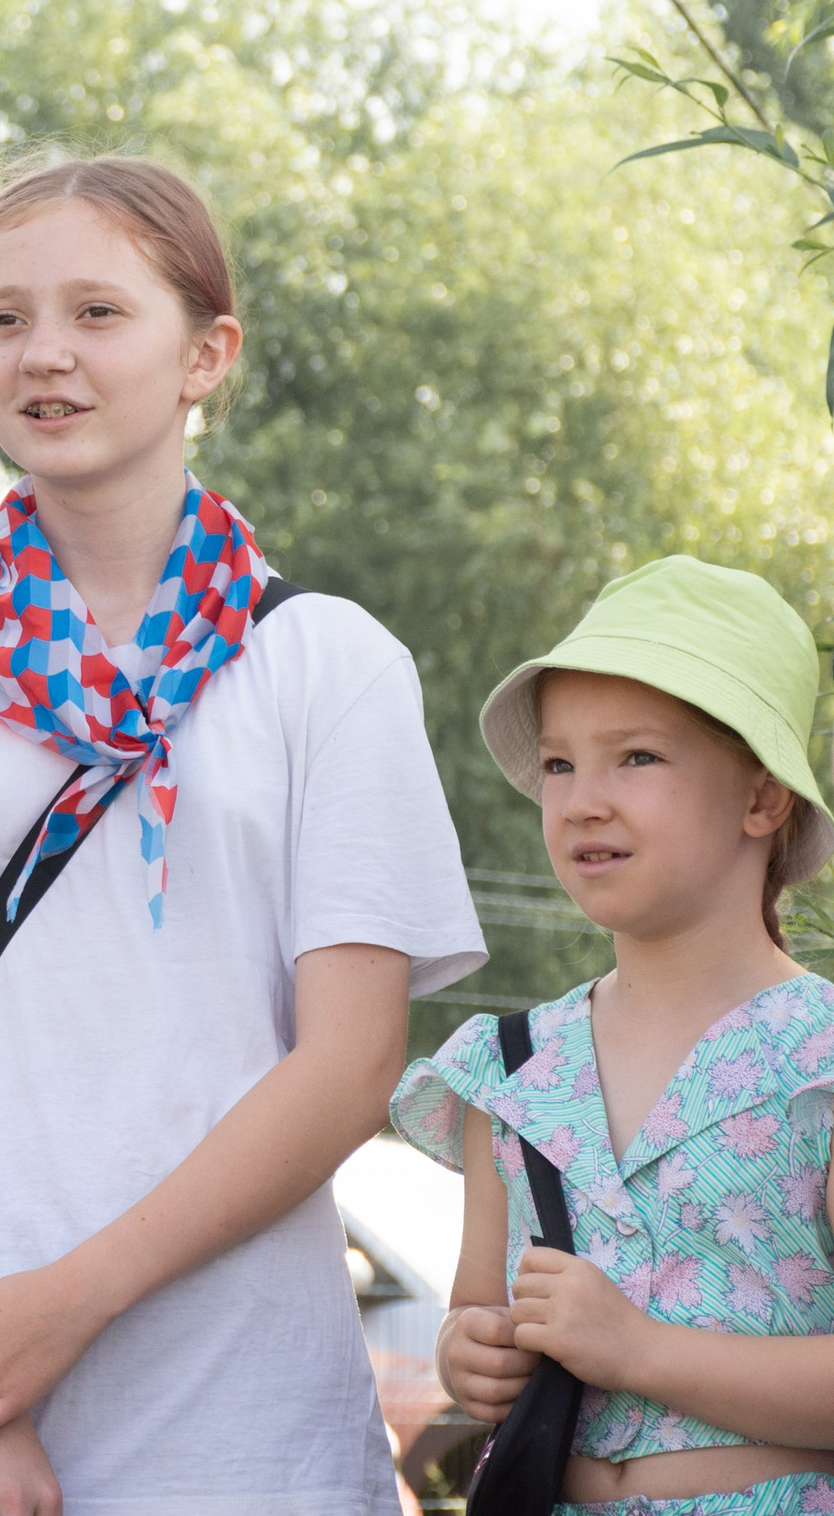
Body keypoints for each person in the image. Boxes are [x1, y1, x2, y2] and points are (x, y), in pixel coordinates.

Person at [0, 154, 489, 1516]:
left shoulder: (329, 664)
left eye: (98, 313)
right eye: (3, 318)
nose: (44, 352)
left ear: (205, 353)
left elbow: (349, 1059)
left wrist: (63, 1306)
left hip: (245, 1438)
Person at [394, 556, 834, 1515]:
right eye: (560, 763)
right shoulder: (509, 1066)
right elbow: (480, 1309)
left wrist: (639, 1349)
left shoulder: (822, 1061)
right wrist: (470, 1354)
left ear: (764, 800)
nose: (582, 799)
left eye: (636, 757)